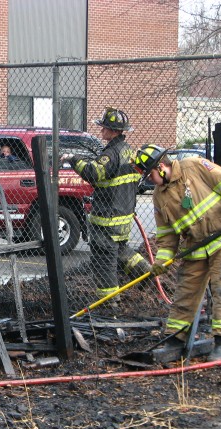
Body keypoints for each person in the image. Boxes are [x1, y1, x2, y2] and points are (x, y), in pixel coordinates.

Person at [131, 144, 221, 361]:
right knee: (186, 290)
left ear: (162, 167)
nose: (149, 180)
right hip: (196, 245)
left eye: (150, 175)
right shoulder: (159, 196)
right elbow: (166, 235)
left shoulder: (195, 166)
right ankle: (176, 338)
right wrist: (161, 261)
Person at [63, 107, 150, 306]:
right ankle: (145, 274)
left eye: (104, 127)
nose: (101, 131)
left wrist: (73, 159)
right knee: (120, 250)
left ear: (113, 130)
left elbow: (94, 173)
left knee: (103, 259)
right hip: (123, 215)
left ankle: (109, 302)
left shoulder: (111, 154)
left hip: (107, 218)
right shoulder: (128, 150)